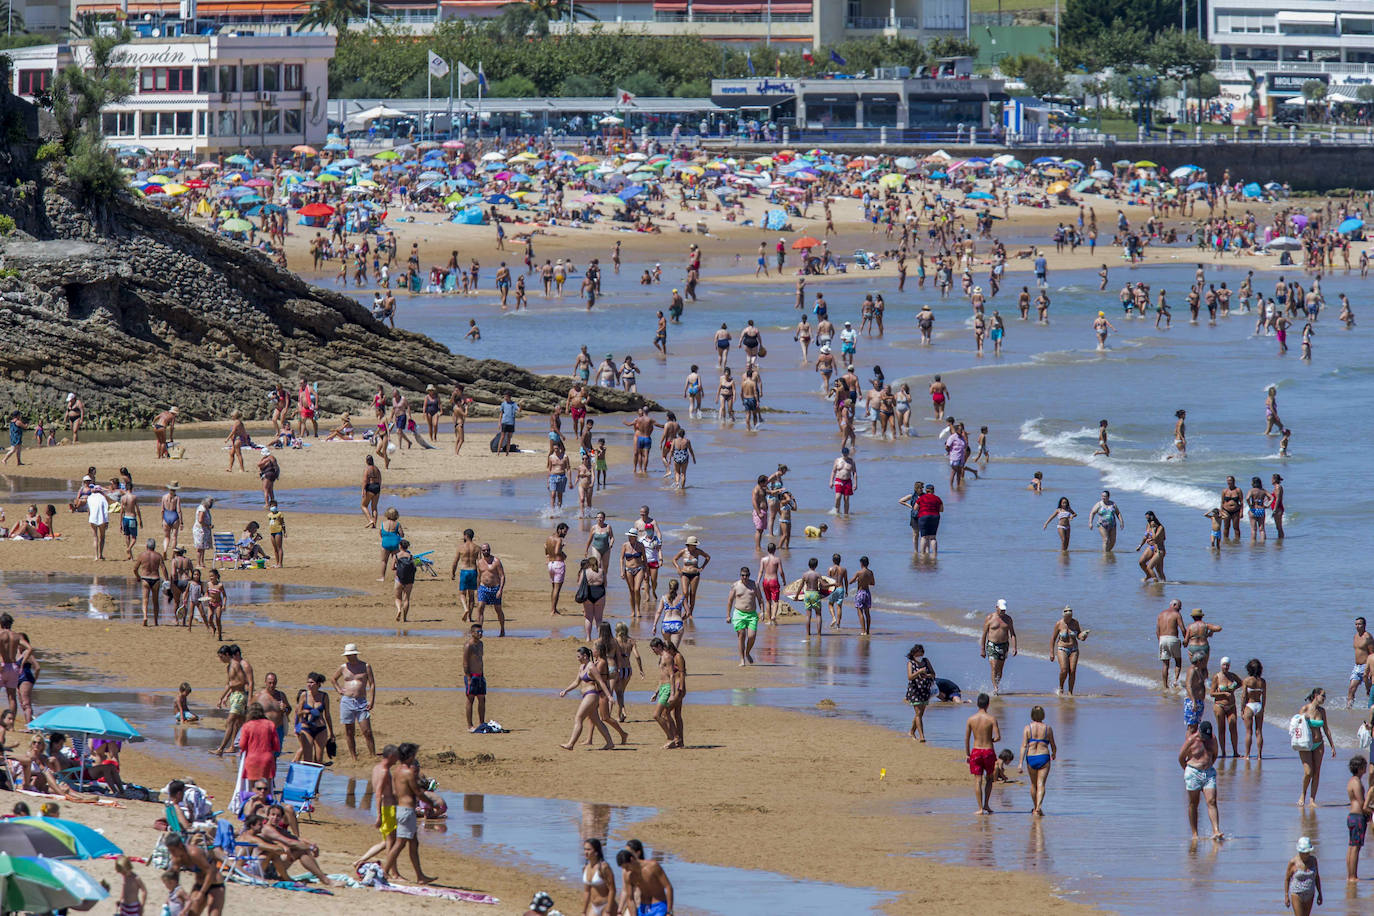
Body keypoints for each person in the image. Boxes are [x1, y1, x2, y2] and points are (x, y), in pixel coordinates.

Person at [383, 743, 435, 883]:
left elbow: (397, 791)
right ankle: (384, 872)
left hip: (401, 809)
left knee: (414, 843)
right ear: (410, 756)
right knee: (400, 843)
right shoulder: (408, 772)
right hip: (406, 811)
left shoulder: (397, 771)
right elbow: (417, 792)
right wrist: (431, 803)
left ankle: (420, 876)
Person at [558, 646, 615, 751]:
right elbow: (576, 682)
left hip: (592, 695)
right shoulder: (582, 667)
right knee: (596, 720)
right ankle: (610, 743)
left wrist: (609, 696)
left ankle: (570, 744)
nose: (577, 658)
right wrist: (565, 690)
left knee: (578, 718)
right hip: (586, 695)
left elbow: (601, 682)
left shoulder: (591, 667)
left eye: (579, 656)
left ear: (585, 656)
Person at [332, 644, 377, 761]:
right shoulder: (343, 667)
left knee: (366, 730)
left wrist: (371, 700)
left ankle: (373, 755)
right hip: (347, 701)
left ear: (355, 654)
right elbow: (333, 679)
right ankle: (354, 757)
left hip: (361, 701)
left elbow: (372, 684)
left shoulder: (365, 666)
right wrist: (338, 689)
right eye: (347, 655)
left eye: (350, 655)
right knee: (349, 731)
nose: (348, 657)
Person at [1179, 721, 1222, 841]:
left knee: (1212, 801)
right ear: (1199, 732)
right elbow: (1181, 758)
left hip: (1208, 773)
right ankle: (1195, 834)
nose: (1206, 739)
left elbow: (1214, 754)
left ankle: (1216, 831)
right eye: (1204, 736)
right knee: (1194, 803)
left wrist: (1207, 766)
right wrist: (1188, 770)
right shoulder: (1191, 740)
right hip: (1193, 773)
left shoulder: (1212, 739)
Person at [163, 833, 224, 916]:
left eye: (173, 850)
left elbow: (210, 872)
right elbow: (175, 876)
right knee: (191, 912)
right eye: (169, 850)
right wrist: (173, 894)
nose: (171, 853)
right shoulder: (176, 858)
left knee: (214, 913)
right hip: (199, 884)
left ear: (180, 845)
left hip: (216, 884)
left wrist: (202, 893)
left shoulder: (194, 853)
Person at [211, 644, 252, 757]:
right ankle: (242, 747)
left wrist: (232, 685)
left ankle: (221, 749)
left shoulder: (236, 665)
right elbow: (228, 684)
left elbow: (244, 681)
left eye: (221, 657)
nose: (220, 659)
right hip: (234, 696)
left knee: (230, 721)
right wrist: (222, 697)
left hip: (239, 696)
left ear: (227, 655)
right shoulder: (228, 667)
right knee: (242, 722)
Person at [1297, 687, 1335, 808]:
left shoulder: (1322, 711)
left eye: (1325, 696)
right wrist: (1303, 720)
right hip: (1305, 744)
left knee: (1317, 772)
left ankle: (1312, 799)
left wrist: (1332, 746)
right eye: (1322, 695)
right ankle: (1302, 795)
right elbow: (1296, 726)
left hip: (1319, 744)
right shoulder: (1305, 708)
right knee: (1308, 772)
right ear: (1315, 695)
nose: (1324, 698)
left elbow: (1326, 729)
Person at [965, 693, 1001, 816]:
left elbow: (967, 738)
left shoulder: (971, 719)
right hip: (988, 751)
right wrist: (990, 740)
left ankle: (980, 808)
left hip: (976, 750)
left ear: (977, 704)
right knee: (989, 779)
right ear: (988, 704)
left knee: (977, 780)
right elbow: (998, 737)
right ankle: (986, 803)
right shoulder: (991, 719)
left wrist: (967, 754)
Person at [1018, 706, 1057, 817]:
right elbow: (1053, 745)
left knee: (1033, 784)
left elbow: (1023, 746)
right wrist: (1054, 753)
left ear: (1032, 715)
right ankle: (1038, 808)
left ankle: (1035, 807)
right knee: (1041, 784)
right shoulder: (1047, 728)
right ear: (1043, 715)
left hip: (1031, 757)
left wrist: (1020, 763)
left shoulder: (1027, 728)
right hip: (1043, 756)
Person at [615, 849, 673, 916]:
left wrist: (669, 911)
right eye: (624, 868)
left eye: (627, 867)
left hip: (659, 906)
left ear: (632, 859)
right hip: (643, 908)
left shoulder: (653, 867)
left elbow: (668, 887)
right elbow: (630, 899)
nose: (626, 870)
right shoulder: (629, 875)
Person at [726, 567, 764, 667]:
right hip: (739, 614)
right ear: (740, 575)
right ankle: (742, 659)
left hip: (752, 614)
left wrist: (762, 612)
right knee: (741, 635)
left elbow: (760, 599)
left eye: (746, 575)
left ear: (749, 575)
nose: (745, 577)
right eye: (743, 575)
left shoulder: (755, 585)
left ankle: (747, 652)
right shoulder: (735, 586)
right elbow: (730, 601)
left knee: (751, 636)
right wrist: (728, 615)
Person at [292, 673, 333, 764]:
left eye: (312, 682)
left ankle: (316, 777)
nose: (309, 684)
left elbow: (328, 715)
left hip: (321, 728)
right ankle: (307, 777)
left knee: (318, 760)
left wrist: (332, 733)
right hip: (307, 728)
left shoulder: (324, 696)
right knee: (307, 760)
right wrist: (305, 712)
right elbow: (298, 713)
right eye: (308, 682)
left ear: (318, 684)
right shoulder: (304, 695)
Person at [237, 703, 281, 786]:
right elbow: (276, 745)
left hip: (252, 759)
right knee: (266, 787)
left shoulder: (247, 726)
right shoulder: (270, 724)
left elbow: (242, 744)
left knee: (253, 787)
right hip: (267, 758)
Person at [980, 599, 1017, 693]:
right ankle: (995, 688)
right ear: (996, 607)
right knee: (994, 666)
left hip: (1004, 646)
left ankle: (997, 685)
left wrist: (1014, 647)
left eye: (1004, 610)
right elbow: (984, 634)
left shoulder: (1008, 619)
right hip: (992, 645)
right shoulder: (990, 618)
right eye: (1001, 610)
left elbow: (1012, 634)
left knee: (1000, 669)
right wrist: (982, 649)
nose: (1003, 612)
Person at [1209, 657, 1243, 757]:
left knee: (1233, 725)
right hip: (1219, 705)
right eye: (1224, 665)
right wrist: (1224, 693)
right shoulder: (1217, 677)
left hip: (1231, 705)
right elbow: (1211, 693)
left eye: (1227, 665)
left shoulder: (1232, 676)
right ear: (1221, 665)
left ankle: (1235, 752)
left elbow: (1241, 683)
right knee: (1221, 728)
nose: (1226, 667)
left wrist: (1234, 689)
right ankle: (1223, 752)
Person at [1049, 606, 1086, 695]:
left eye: (1070, 615)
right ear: (1063, 615)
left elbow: (1079, 635)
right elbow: (1053, 639)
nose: (1069, 617)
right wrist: (1051, 653)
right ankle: (1061, 687)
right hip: (1062, 648)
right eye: (1067, 615)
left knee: (1072, 670)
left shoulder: (1075, 623)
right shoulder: (1059, 624)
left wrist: (1083, 636)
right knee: (1064, 670)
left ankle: (1070, 692)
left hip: (1074, 649)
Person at [1347, 755, 1371, 881]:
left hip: (1352, 816)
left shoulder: (1352, 780)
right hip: (1357, 817)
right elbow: (1362, 803)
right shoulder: (1356, 782)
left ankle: (1351, 875)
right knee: (1355, 847)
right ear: (1360, 768)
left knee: (1352, 846)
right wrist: (1369, 813)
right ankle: (1352, 876)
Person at [475, 544, 507, 637]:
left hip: (495, 588)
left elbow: (502, 576)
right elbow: (479, 576)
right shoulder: (479, 562)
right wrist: (477, 589)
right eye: (484, 550)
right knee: (480, 607)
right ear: (482, 551)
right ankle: (479, 631)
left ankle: (502, 629)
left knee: (498, 609)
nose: (486, 552)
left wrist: (500, 590)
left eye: (488, 550)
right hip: (483, 587)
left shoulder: (496, 561)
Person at [905, 644, 935, 742]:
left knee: (920, 713)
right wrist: (919, 672)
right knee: (918, 713)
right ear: (913, 654)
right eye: (917, 655)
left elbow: (933, 674)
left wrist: (927, 676)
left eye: (921, 654)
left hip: (925, 690)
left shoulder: (926, 661)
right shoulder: (911, 663)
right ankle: (922, 736)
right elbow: (910, 677)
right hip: (915, 690)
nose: (919, 656)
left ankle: (912, 731)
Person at [1284, 836, 1322, 915]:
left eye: (1307, 853)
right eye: (1303, 853)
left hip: (1310, 894)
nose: (1305, 855)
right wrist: (1286, 896)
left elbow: (1317, 878)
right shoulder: (1293, 862)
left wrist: (1320, 894)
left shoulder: (1313, 860)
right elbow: (1287, 879)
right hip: (1297, 893)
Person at [582, 839, 616, 916]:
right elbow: (587, 891)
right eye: (584, 849)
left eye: (589, 849)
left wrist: (608, 910)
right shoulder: (585, 868)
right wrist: (584, 911)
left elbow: (612, 889)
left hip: (606, 905)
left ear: (596, 851)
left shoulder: (604, 867)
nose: (585, 852)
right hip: (594, 906)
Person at [393, 539, 416, 622]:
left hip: (399, 579)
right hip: (409, 579)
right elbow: (414, 567)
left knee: (398, 598)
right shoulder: (410, 556)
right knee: (406, 599)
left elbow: (392, 567)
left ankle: (399, 609)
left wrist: (398, 567)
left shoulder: (396, 555)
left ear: (400, 546)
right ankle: (405, 618)